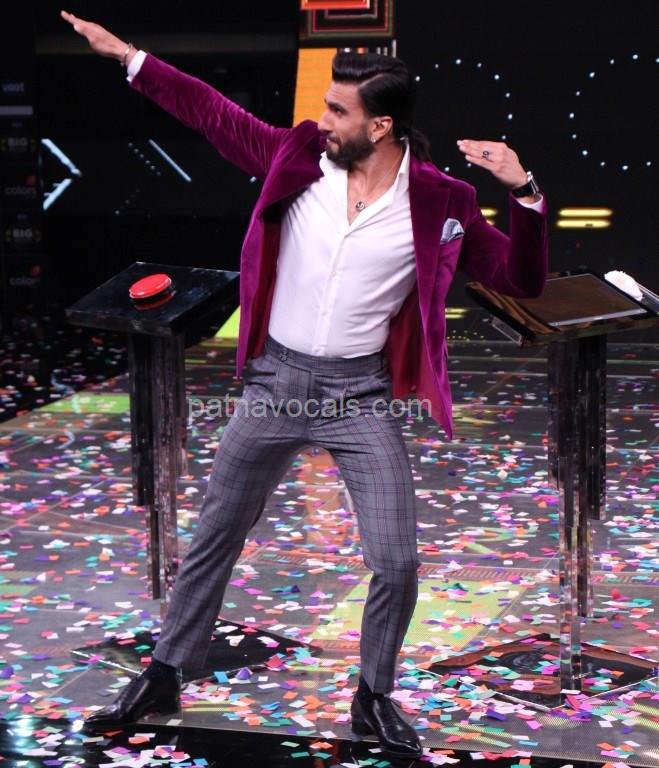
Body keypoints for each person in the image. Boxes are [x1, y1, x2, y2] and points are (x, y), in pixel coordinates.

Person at [61, 10, 548, 759]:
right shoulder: (296, 154)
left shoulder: (441, 199)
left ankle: (373, 697)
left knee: (396, 561)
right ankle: (163, 674)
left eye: (338, 112)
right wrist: (128, 56)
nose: (322, 121)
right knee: (216, 533)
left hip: (359, 396)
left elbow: (520, 278)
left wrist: (525, 193)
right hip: (275, 384)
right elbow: (209, 112)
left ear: (380, 126)